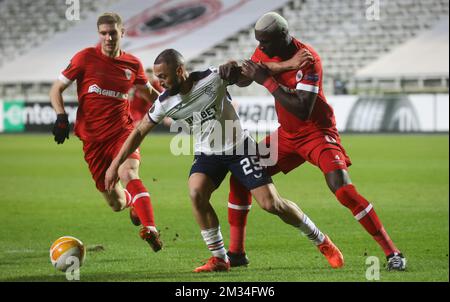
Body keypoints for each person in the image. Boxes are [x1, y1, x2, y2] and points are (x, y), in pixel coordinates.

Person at [105, 48, 344, 273]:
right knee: (196, 192)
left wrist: (289, 64)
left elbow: (252, 70)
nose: (160, 82)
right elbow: (138, 133)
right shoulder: (164, 102)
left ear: (180, 71)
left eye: (164, 76)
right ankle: (219, 258)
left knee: (271, 204)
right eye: (157, 77)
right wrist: (115, 166)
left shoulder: (212, 77)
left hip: (240, 149)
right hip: (208, 155)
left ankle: (321, 240)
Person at [221, 12, 406, 271]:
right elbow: (246, 77)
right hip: (287, 135)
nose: (260, 47)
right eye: (258, 42)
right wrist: (235, 71)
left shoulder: (309, 59)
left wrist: (267, 81)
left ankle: (393, 252)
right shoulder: (264, 51)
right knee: (242, 176)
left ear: (283, 37)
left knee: (342, 189)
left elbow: (302, 109)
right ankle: (237, 253)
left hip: (317, 133)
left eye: (265, 42)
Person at [49, 12, 163, 252]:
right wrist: (61, 116)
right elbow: (56, 89)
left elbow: (149, 94)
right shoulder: (85, 58)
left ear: (122, 32)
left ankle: (151, 229)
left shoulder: (132, 64)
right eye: (104, 33)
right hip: (92, 140)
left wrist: (179, 103)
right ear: (99, 34)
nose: (109, 37)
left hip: (122, 132)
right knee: (116, 203)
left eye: (113, 32)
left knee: (129, 173)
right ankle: (133, 202)